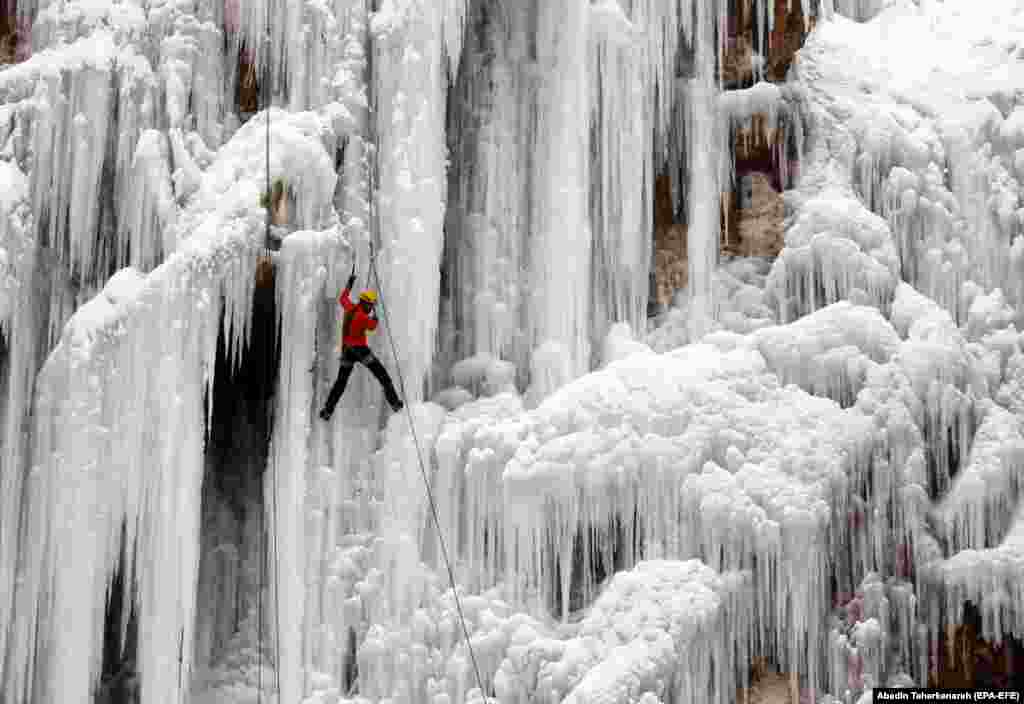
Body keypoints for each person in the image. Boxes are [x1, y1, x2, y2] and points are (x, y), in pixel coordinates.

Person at [319, 271, 404, 420]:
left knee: (341, 383)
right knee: (382, 375)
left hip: (347, 351)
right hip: (360, 350)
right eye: (371, 305)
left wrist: (349, 284)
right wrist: (376, 318)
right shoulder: (362, 317)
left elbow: (343, 298)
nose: (371, 308)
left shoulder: (350, 308)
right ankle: (395, 403)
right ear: (366, 303)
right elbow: (372, 326)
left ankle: (327, 410)